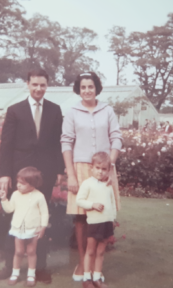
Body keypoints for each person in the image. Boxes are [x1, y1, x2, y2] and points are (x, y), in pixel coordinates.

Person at [0, 69, 64, 283]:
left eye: (43, 85)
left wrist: (60, 171)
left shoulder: (54, 110)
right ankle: (9, 266)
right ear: (27, 84)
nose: (38, 89)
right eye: (35, 84)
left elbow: (58, 143)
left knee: (40, 218)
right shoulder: (15, 111)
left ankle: (40, 268)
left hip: (45, 174)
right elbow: (6, 144)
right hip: (20, 174)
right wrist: (5, 174)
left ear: (47, 86)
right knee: (14, 218)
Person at [61, 71, 122, 282]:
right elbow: (66, 142)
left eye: (91, 87)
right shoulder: (72, 112)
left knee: (102, 213)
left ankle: (96, 264)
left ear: (97, 88)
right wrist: (70, 174)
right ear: (78, 89)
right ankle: (82, 262)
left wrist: (110, 165)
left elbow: (116, 137)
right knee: (81, 216)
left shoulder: (107, 110)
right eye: (83, 87)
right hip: (81, 168)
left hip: (104, 168)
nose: (87, 91)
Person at [0, 167, 49, 287]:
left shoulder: (39, 196)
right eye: (18, 182)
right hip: (19, 229)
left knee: (31, 251)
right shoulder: (16, 195)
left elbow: (44, 213)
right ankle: (15, 273)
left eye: (22, 183)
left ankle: (31, 274)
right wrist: (4, 199)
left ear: (32, 184)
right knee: (19, 251)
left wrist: (43, 227)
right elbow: (9, 209)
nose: (18, 185)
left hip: (33, 229)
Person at [76, 152, 117, 288]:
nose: (100, 172)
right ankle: (87, 279)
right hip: (94, 223)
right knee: (91, 251)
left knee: (100, 252)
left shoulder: (108, 185)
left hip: (107, 222)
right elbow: (79, 200)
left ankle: (97, 278)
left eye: (104, 169)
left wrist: (113, 218)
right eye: (98, 168)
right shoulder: (87, 184)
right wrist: (92, 205)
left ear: (108, 170)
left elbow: (112, 203)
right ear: (92, 168)